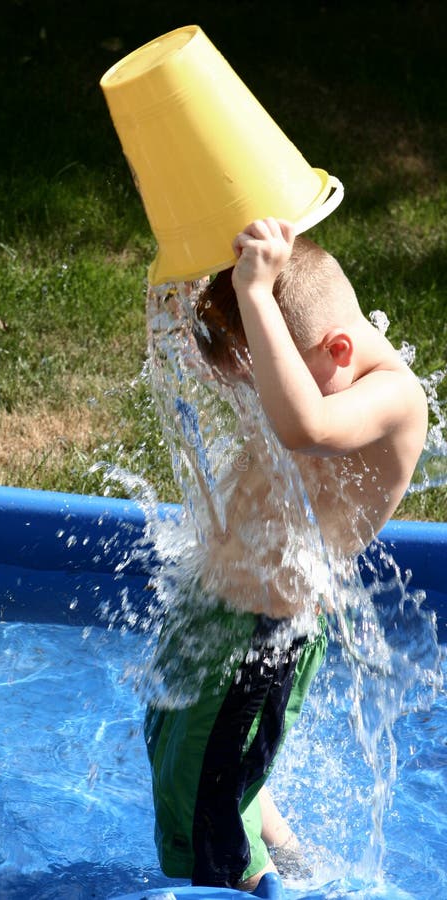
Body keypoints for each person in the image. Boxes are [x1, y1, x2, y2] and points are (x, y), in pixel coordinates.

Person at [144, 218, 428, 893]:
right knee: (182, 752)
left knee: (205, 820)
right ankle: (291, 859)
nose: (259, 396)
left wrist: (259, 295)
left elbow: (305, 425)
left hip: (261, 636)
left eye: (269, 373)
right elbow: (237, 367)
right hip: (212, 605)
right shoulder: (312, 364)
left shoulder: (391, 397)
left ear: (337, 350)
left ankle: (255, 882)